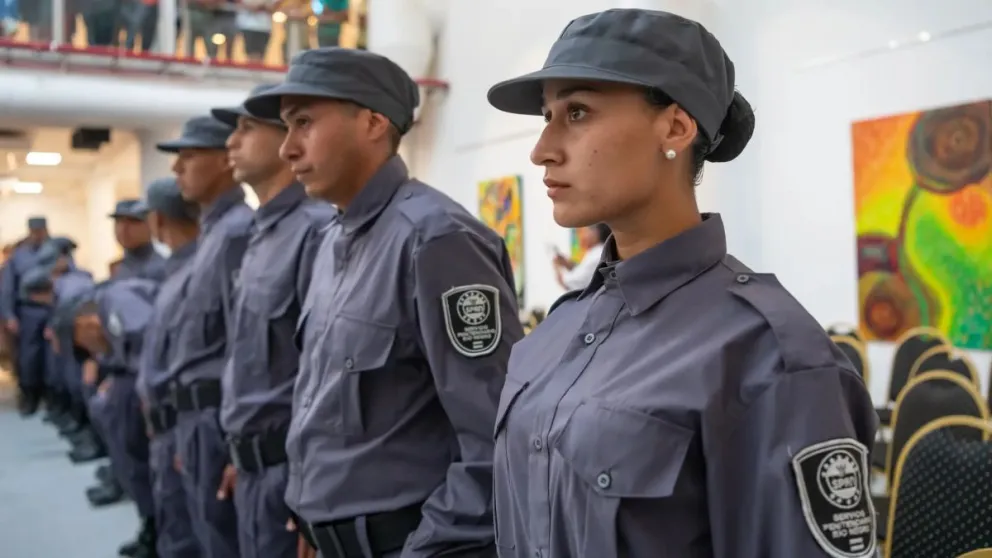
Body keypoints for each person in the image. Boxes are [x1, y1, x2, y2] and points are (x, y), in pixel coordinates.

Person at [485, 9, 878, 558]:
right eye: (547, 116)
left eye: (577, 112)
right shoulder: (555, 336)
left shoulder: (769, 357)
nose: (542, 148)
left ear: (675, 126)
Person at [243, 47, 523, 558]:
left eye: (303, 123)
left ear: (372, 122)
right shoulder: (331, 240)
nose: (287, 149)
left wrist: (432, 547)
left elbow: (497, 437)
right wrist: (315, 519)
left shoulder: (437, 240)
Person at [211, 84, 335, 558]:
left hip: (289, 470)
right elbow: (247, 361)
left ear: (288, 140)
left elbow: (324, 374)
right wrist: (238, 451)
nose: (231, 143)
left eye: (246, 129)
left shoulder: (315, 230)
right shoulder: (263, 234)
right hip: (254, 464)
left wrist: (312, 487)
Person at [156, 114, 254, 558]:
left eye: (189, 156)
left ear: (224, 161)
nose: (178, 169)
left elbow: (244, 348)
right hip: (196, 421)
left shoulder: (238, 232)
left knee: (222, 542)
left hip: (218, 420)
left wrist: (233, 445)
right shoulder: (213, 234)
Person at [134, 177, 202, 558]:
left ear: (156, 221)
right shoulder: (178, 269)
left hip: (182, 427)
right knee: (173, 524)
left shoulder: (194, 269)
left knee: (186, 539)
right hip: (170, 426)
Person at [70, 277, 161, 557]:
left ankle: (154, 532)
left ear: (86, 324)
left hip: (144, 388)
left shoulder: (117, 300)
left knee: (142, 464)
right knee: (132, 462)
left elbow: (145, 345)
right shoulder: (114, 309)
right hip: (133, 383)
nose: (94, 351)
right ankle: (150, 527)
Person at [2, 216, 51, 415]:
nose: (39, 234)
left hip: (52, 310)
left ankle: (52, 396)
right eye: (35, 231)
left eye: (42, 231)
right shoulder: (18, 257)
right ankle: (29, 394)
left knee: (53, 356)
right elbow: (7, 289)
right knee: (28, 356)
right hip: (27, 311)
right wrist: (9, 315)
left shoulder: (54, 252)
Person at [110, 200, 168, 282]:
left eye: (133, 221)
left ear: (151, 226)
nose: (123, 229)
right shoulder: (118, 267)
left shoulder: (161, 269)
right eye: (119, 221)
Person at [552, 223, 609, 291]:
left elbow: (569, 282)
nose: (582, 236)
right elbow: (582, 272)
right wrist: (567, 264)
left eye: (586, 231)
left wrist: (557, 267)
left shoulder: (598, 254)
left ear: (596, 233)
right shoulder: (597, 251)